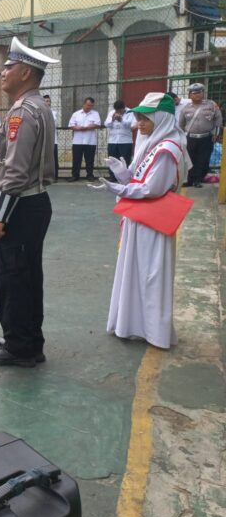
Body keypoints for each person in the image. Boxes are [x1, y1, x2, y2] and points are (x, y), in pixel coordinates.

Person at [88, 93, 190, 349]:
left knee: (150, 274)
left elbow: (152, 189)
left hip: (152, 221)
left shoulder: (168, 149)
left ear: (162, 119)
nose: (139, 124)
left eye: (145, 118)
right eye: (139, 118)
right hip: (140, 218)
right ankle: (130, 324)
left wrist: (119, 189)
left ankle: (153, 330)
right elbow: (138, 179)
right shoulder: (152, 142)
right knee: (134, 270)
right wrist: (123, 174)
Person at [0, 36, 56, 367]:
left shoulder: (22, 113)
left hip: (19, 206)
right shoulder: (39, 107)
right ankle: (27, 340)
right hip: (33, 203)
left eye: (8, 67)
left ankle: (19, 347)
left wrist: (0, 218)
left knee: (12, 279)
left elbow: (15, 172)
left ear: (25, 72)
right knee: (27, 276)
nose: (3, 72)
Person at [179, 83, 222, 188]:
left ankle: (197, 180)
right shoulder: (185, 108)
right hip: (190, 138)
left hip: (206, 138)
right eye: (194, 93)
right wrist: (182, 137)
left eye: (200, 92)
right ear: (189, 95)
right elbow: (181, 124)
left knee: (203, 159)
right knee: (189, 160)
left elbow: (218, 119)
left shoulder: (211, 105)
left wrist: (215, 134)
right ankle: (189, 180)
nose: (198, 95)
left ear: (203, 93)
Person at [68, 97, 101, 181]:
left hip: (90, 141)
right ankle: (75, 175)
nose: (89, 107)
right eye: (88, 105)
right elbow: (71, 125)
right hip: (77, 141)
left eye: (91, 106)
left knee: (90, 160)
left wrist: (88, 127)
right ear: (83, 104)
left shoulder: (95, 113)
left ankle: (90, 175)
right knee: (76, 159)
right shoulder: (76, 114)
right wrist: (78, 128)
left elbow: (98, 124)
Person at [104, 100, 135, 181]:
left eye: (120, 110)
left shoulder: (130, 112)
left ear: (123, 108)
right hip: (112, 140)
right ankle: (112, 177)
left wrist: (121, 119)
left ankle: (125, 178)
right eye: (116, 110)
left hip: (125, 141)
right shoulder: (111, 113)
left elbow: (131, 125)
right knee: (112, 159)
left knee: (125, 160)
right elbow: (106, 124)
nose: (118, 112)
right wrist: (112, 120)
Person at [43, 94, 59, 180]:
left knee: (53, 159)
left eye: (49, 101)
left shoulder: (54, 113)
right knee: (43, 159)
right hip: (42, 140)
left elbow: (54, 124)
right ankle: (44, 176)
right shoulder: (39, 112)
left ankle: (55, 176)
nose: (48, 103)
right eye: (46, 101)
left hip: (53, 140)